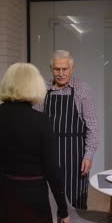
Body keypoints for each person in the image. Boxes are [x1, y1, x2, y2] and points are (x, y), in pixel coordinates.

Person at [0, 63, 70, 223]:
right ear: (35, 86)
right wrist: (63, 208)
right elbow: (52, 170)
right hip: (31, 201)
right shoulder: (41, 121)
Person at [34, 49, 99, 211]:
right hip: (49, 151)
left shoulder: (82, 89)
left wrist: (88, 156)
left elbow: (93, 126)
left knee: (76, 193)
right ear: (51, 70)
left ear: (72, 68)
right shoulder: (43, 90)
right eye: (57, 69)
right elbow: (35, 123)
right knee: (49, 193)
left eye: (65, 69)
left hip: (75, 153)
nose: (61, 73)